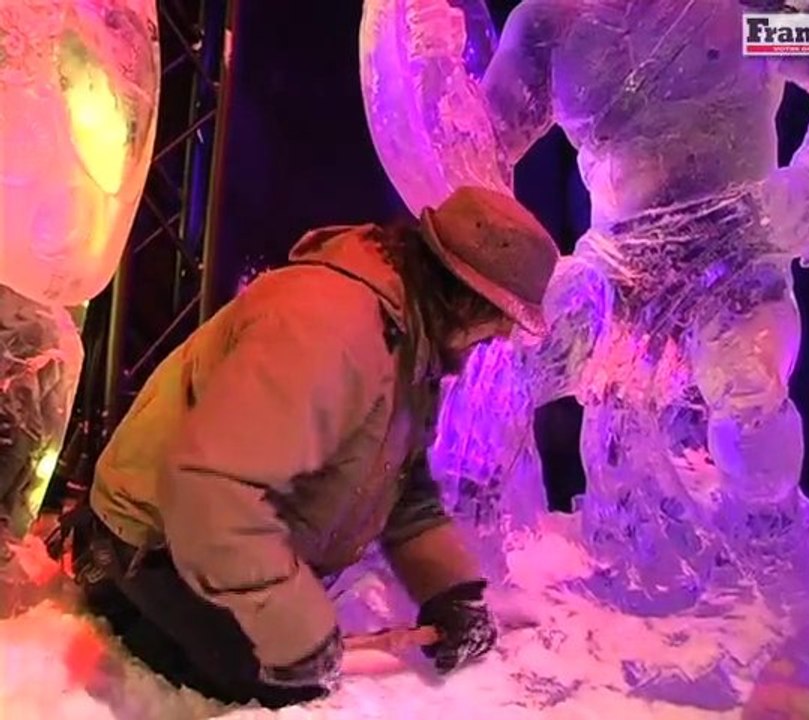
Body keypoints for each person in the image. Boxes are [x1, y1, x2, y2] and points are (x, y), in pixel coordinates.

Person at [57, 186, 560, 708]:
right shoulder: (332, 327)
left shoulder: (409, 339)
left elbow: (401, 485)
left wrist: (451, 590)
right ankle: (117, 592)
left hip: (213, 547)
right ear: (464, 292)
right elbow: (213, 488)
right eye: (503, 312)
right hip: (155, 542)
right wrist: (295, 630)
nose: (503, 332)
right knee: (292, 692)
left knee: (295, 668)